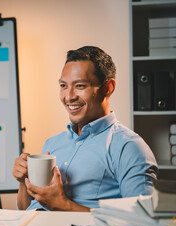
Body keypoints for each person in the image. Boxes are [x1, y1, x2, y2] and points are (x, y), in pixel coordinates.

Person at [12, 46, 158, 212]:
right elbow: (27, 210)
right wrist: (23, 183)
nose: (69, 96)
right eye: (63, 86)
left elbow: (143, 221)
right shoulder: (52, 143)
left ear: (108, 88)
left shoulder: (129, 147)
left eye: (80, 86)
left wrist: (63, 205)